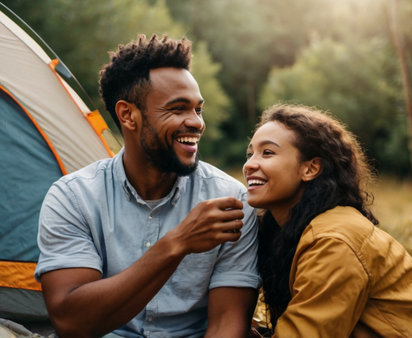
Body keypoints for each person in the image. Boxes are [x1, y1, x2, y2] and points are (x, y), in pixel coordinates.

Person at [35, 34, 260, 338]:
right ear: (128, 115)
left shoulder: (232, 201)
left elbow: (227, 324)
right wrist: (176, 244)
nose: (196, 122)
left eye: (198, 109)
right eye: (178, 108)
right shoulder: (72, 198)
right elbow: (72, 323)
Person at [243, 104, 412, 337]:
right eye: (250, 154)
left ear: (310, 169)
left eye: (267, 152)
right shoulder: (291, 231)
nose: (250, 165)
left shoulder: (333, 242)